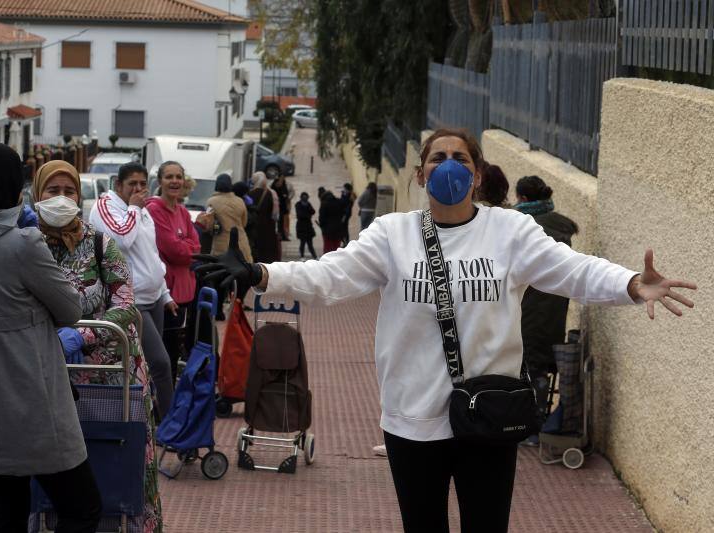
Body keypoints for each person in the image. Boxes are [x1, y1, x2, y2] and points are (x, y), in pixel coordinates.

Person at [194, 127, 696, 533]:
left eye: (460, 157)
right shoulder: (394, 234)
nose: (448, 164)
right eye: (438, 157)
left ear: (476, 176)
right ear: (420, 172)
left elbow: (574, 270)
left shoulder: (510, 231)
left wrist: (631, 283)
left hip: (488, 419)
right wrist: (264, 273)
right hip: (412, 421)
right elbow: (332, 274)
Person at [0, 144, 101, 532]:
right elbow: (70, 309)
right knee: (83, 506)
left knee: (5, 509)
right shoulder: (23, 243)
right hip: (30, 395)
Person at [31, 160, 163, 531]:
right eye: (51, 191)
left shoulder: (100, 243)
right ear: (35, 195)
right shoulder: (26, 246)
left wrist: (82, 335)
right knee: (54, 478)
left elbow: (125, 305)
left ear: (79, 195)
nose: (60, 199)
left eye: (68, 191)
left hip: (110, 382)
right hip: (50, 381)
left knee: (118, 468)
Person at [90, 162, 178, 420]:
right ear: (119, 185)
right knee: (161, 363)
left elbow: (150, 254)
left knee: (151, 366)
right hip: (131, 301)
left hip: (153, 298)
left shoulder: (142, 211)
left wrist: (165, 293)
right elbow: (121, 239)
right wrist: (134, 208)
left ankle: (152, 417)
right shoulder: (106, 206)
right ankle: (170, 424)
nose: (139, 189)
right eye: (132, 184)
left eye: (143, 184)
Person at [514, 175, 579, 427]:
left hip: (531, 303)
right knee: (540, 362)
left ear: (525, 199)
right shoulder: (560, 228)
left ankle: (530, 422)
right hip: (555, 305)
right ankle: (537, 417)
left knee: (530, 360)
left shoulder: (531, 228)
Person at [145, 161, 201, 381]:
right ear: (160, 181)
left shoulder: (182, 211)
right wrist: (185, 243)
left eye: (178, 176)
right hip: (166, 294)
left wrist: (184, 244)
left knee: (177, 350)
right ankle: (163, 405)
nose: (175, 181)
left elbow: (195, 248)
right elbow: (174, 250)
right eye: (169, 177)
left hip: (185, 292)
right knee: (165, 354)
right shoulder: (154, 211)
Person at [207, 173, 252, 319]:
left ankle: (219, 311)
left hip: (221, 245)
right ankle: (237, 305)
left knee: (220, 278)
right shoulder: (240, 201)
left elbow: (209, 225)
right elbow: (244, 222)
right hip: (241, 242)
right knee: (243, 277)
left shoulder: (212, 201)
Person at [248, 171, 280, 263]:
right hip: (268, 228)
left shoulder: (250, 194)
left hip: (254, 228)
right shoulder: (271, 194)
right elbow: (275, 214)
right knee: (267, 253)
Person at [317, 187, 345, 254]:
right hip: (338, 229)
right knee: (336, 248)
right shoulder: (339, 201)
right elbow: (343, 214)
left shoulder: (324, 204)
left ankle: (327, 263)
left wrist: (322, 226)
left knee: (328, 248)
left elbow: (321, 218)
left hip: (327, 230)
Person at [294, 191, 317, 259]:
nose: (305, 199)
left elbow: (313, 211)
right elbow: (300, 215)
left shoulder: (308, 204)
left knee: (310, 244)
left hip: (308, 227)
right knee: (302, 243)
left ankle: (315, 256)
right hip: (301, 227)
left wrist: (307, 211)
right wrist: (307, 215)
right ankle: (302, 256)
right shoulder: (298, 204)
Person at [271, 174, 294, 240]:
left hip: (283, 206)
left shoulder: (285, 184)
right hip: (276, 206)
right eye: (281, 177)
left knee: (282, 221)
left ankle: (283, 235)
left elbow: (289, 192)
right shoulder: (275, 184)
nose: (282, 179)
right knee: (275, 221)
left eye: (283, 177)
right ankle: (277, 235)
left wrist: (287, 198)